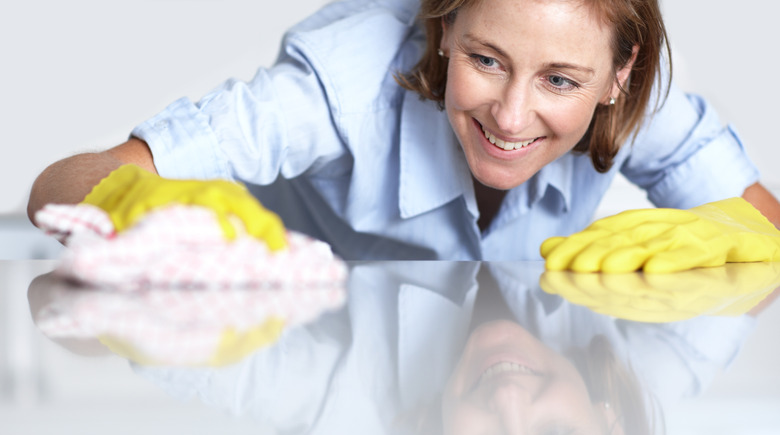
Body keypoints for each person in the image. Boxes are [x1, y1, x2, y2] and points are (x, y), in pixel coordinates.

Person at [27, 0, 780, 266]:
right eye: (486, 59)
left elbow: (766, 227)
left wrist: (738, 237)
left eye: (560, 81)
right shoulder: (344, 84)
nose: (511, 118)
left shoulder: (632, 94)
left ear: (622, 73)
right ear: (443, 28)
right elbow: (59, 184)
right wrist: (138, 209)